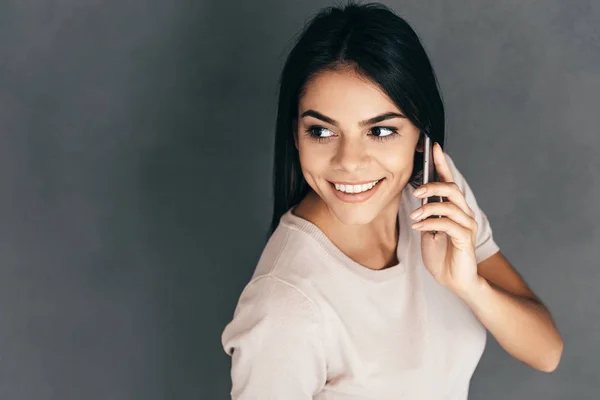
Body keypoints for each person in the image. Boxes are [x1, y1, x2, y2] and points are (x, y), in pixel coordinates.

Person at [220, 2, 563, 399]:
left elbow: (546, 351)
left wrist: (469, 285)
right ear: (295, 135)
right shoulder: (284, 307)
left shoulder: (433, 196)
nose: (349, 162)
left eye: (381, 131)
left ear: (421, 136)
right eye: (321, 131)